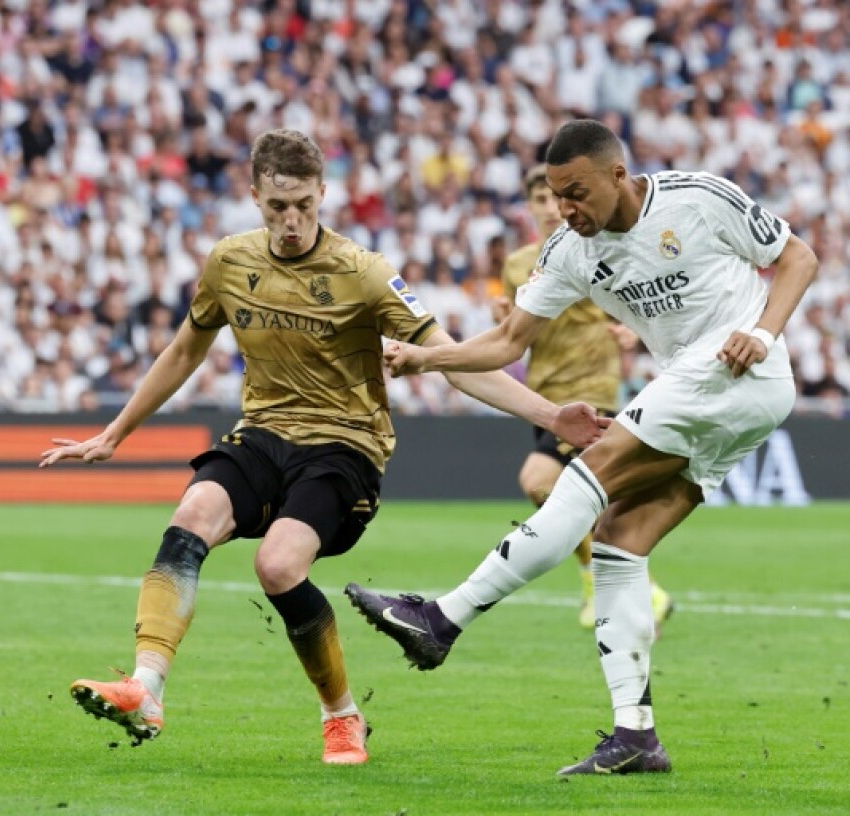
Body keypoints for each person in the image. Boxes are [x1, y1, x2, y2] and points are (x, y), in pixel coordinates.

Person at [40, 129, 609, 765]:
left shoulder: (364, 272)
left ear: (323, 195)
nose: (291, 221)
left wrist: (550, 415)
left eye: (304, 206)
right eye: (278, 206)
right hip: (263, 433)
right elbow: (183, 351)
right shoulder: (229, 262)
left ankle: (341, 714)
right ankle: (145, 688)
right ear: (255, 196)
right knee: (190, 517)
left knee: (279, 567)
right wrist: (115, 433)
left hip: (345, 446)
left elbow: (453, 359)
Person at [345, 120, 818, 775]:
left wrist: (763, 334)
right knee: (618, 537)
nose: (566, 208)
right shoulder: (570, 250)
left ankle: (443, 618)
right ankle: (636, 737)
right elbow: (510, 341)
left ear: (617, 175)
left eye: (577, 193)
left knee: (588, 473)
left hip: (741, 366)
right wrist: (429, 358)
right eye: (556, 195)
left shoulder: (697, 197)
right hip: (709, 390)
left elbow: (799, 258)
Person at [495, 165, 673, 630]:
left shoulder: (598, 250)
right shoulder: (517, 264)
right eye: (538, 200)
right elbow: (515, 330)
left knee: (538, 480)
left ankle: (602, 578)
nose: (548, 209)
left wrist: (633, 331)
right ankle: (636, 588)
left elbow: (637, 297)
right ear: (530, 209)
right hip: (546, 397)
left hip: (594, 391)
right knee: (581, 500)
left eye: (554, 199)